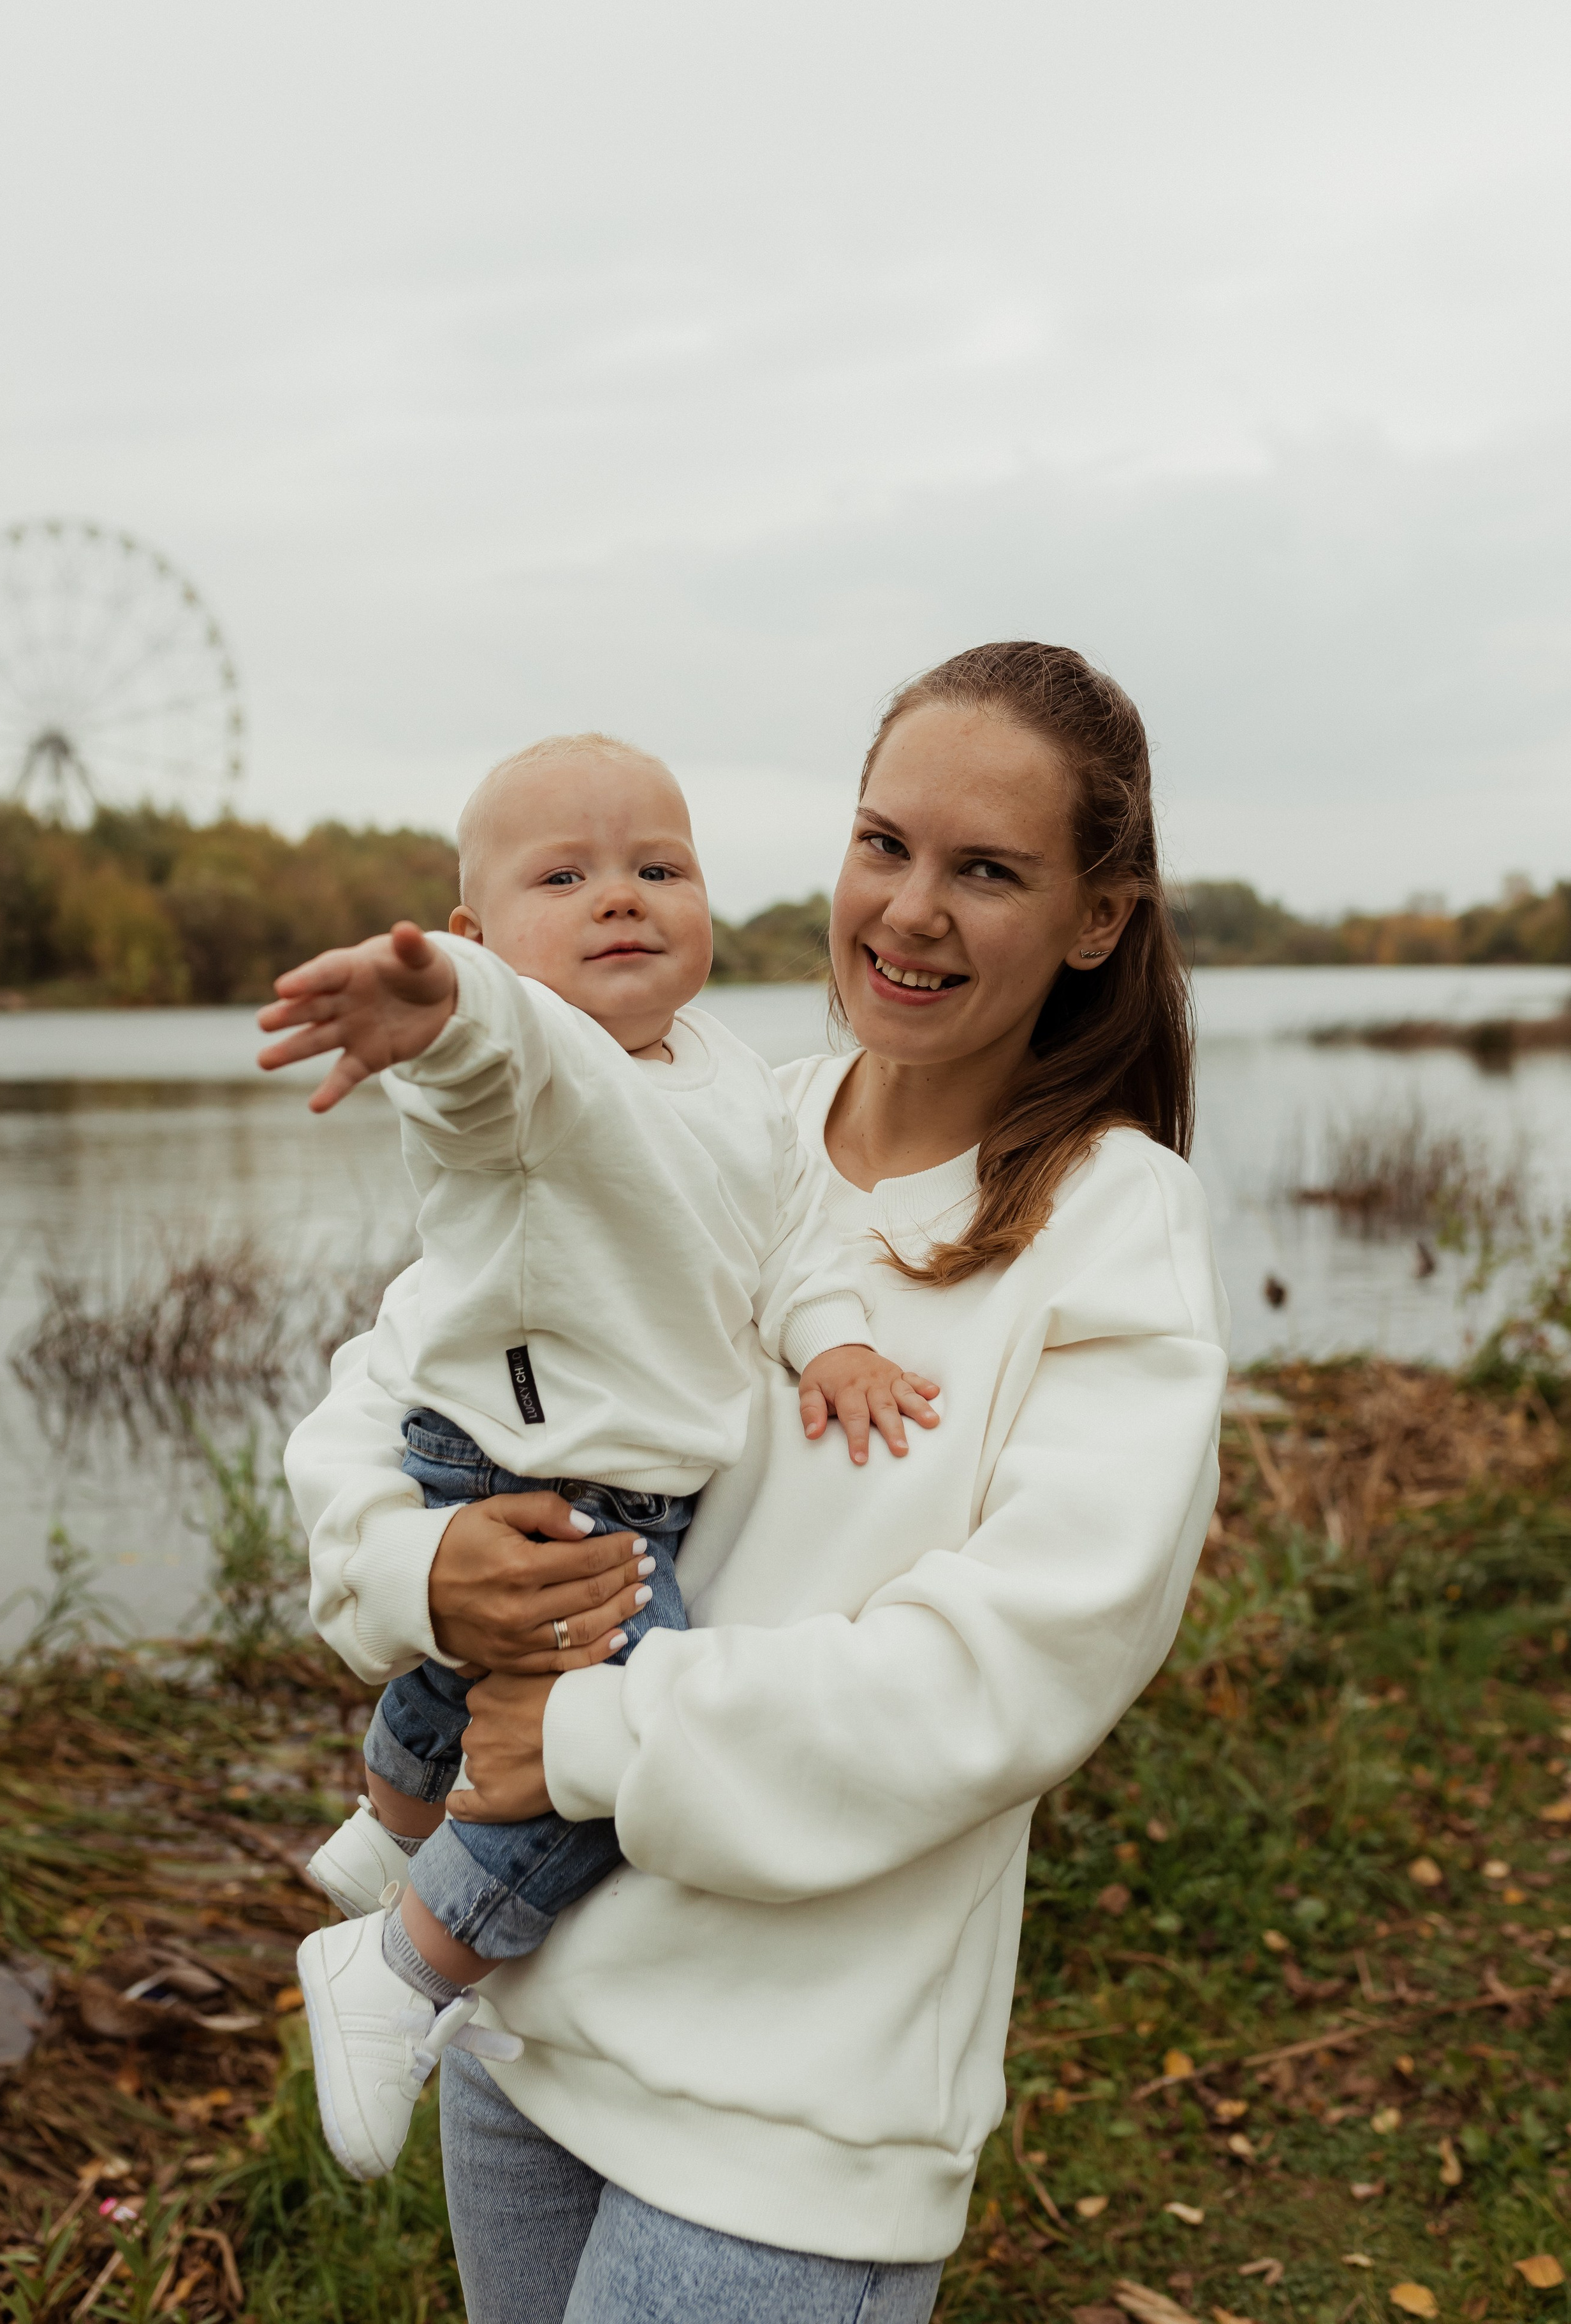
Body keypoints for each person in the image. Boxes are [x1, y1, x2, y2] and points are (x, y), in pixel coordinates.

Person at [286, 643, 1230, 2324]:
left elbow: (1004, 1675)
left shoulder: (1114, 1223)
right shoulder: (715, 1116)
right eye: (887, 845)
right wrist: (416, 1579)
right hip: (524, 2027)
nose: (912, 912)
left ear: (1098, 918)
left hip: (790, 2128)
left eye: (988, 870)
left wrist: (584, 1733)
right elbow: (395, 1378)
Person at [261, 734, 937, 2180]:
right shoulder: (536, 1064)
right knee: (599, 1763)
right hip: (525, 1459)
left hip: (619, 1469)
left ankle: (389, 1822)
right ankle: (402, 1967)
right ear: (479, 934)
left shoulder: (732, 1076)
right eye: (562, 876)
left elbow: (786, 1242)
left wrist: (828, 1342)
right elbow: (479, 1054)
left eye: (657, 867)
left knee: (478, 1684)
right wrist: (438, 1008)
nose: (619, 897)